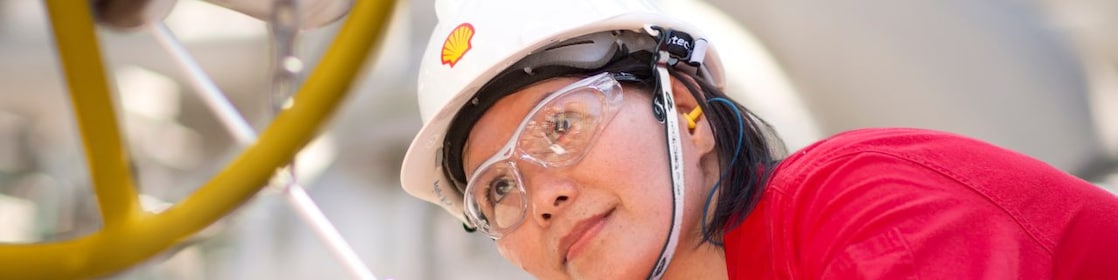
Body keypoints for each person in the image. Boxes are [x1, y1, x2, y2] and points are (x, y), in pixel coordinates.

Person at [399, 0, 1118, 279]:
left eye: (560, 125)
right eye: (498, 188)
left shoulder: (860, 208)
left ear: (686, 108)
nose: (542, 195)